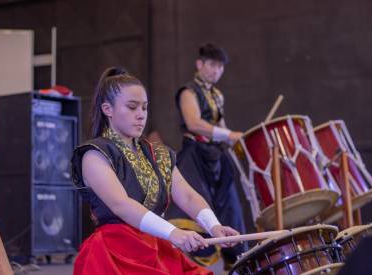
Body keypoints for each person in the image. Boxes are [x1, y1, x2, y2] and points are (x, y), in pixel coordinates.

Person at [71, 67, 239, 275]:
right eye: (132, 107)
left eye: (144, 107)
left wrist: (214, 226)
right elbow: (121, 204)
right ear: (108, 109)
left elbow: (186, 195)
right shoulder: (94, 155)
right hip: (115, 254)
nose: (141, 115)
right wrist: (173, 233)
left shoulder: (159, 154)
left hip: (156, 247)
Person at [165, 43, 247, 269]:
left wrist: (232, 140)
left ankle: (235, 266)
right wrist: (229, 134)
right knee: (191, 213)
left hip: (216, 158)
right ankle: (189, 269)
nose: (216, 70)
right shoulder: (188, 91)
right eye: (212, 64)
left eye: (220, 67)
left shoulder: (217, 95)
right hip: (195, 157)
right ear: (199, 64)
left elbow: (220, 127)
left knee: (230, 210)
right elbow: (194, 123)